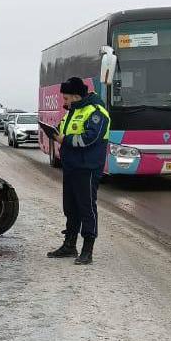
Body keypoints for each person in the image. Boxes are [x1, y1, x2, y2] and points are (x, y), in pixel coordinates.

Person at [47, 77, 110, 265]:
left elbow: (89, 139)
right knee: (71, 208)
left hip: (87, 168)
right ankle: (69, 246)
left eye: (65, 99)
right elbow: (62, 130)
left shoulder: (97, 113)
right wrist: (53, 131)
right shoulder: (72, 111)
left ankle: (87, 251)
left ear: (75, 96)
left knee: (86, 209)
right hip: (71, 167)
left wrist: (63, 140)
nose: (63, 103)